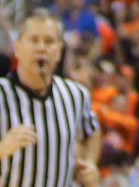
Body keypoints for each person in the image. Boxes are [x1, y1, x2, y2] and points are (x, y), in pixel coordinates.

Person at [0, 10, 101, 187]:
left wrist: (90, 162)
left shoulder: (75, 94)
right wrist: (3, 148)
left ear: (59, 51)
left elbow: (92, 130)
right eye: (34, 40)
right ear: (17, 48)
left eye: (49, 41)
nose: (41, 48)